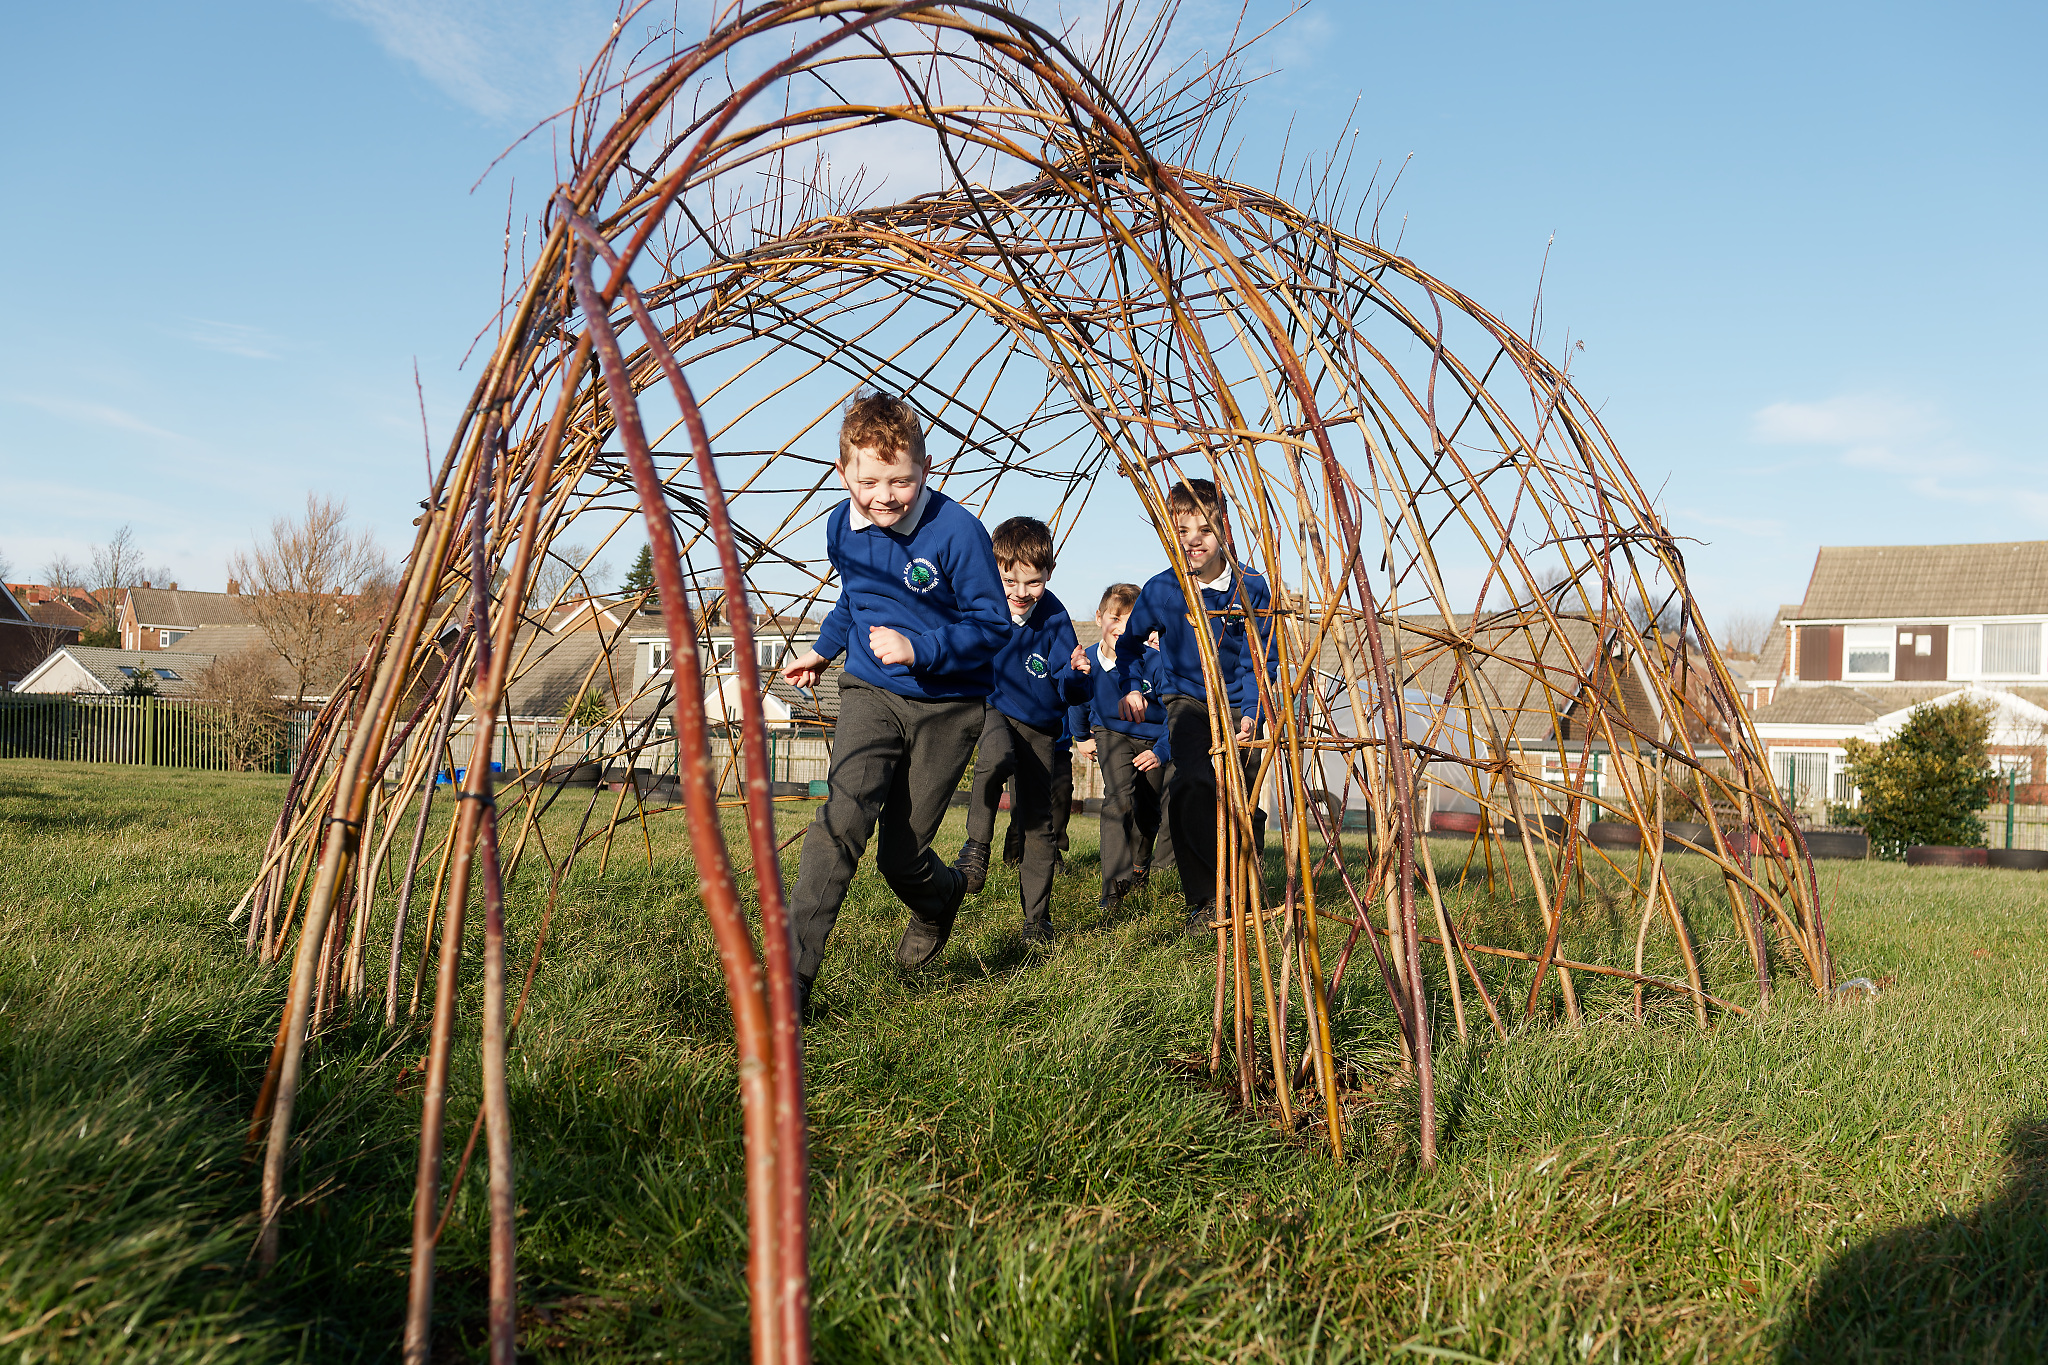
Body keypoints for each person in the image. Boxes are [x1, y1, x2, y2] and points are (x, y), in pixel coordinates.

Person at [780, 393, 1009, 1014]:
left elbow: (993, 627)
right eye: (868, 480)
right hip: (870, 689)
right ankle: (791, 984)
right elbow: (856, 599)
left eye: (900, 480)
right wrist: (825, 651)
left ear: (926, 470)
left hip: (949, 705)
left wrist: (921, 646)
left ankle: (942, 900)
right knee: (843, 817)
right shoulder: (839, 527)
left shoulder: (957, 532)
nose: (884, 495)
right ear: (842, 474)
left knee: (901, 856)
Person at [1114, 479, 1276, 935]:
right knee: (1192, 787)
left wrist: (1251, 715)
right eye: (1182, 532)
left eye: (1204, 530)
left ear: (1223, 525)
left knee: (1240, 798)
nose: (1193, 541)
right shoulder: (1163, 590)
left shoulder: (1251, 588)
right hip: (1186, 699)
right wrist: (1129, 687)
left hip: (1238, 704)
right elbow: (1127, 646)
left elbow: (1259, 661)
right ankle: (1205, 899)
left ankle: (1245, 888)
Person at [953, 516, 1080, 945]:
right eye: (1010, 580)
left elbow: (1069, 684)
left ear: (1049, 573)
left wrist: (1079, 674)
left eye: (1033, 582)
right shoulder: (983, 602)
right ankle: (976, 847)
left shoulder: (1056, 618)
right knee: (995, 755)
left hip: (1041, 727)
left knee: (1038, 822)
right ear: (996, 572)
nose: (1021, 593)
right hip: (992, 706)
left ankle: (1036, 920)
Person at [1066, 584, 1172, 917]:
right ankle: (1112, 889)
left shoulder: (1154, 663)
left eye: (1130, 621)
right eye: (1115, 618)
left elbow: (1175, 712)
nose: (1121, 628)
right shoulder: (1090, 661)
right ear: (1099, 618)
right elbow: (1079, 700)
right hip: (1109, 732)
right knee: (1118, 800)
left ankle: (1140, 864)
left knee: (1148, 812)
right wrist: (1081, 736)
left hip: (1153, 741)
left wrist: (1162, 751)